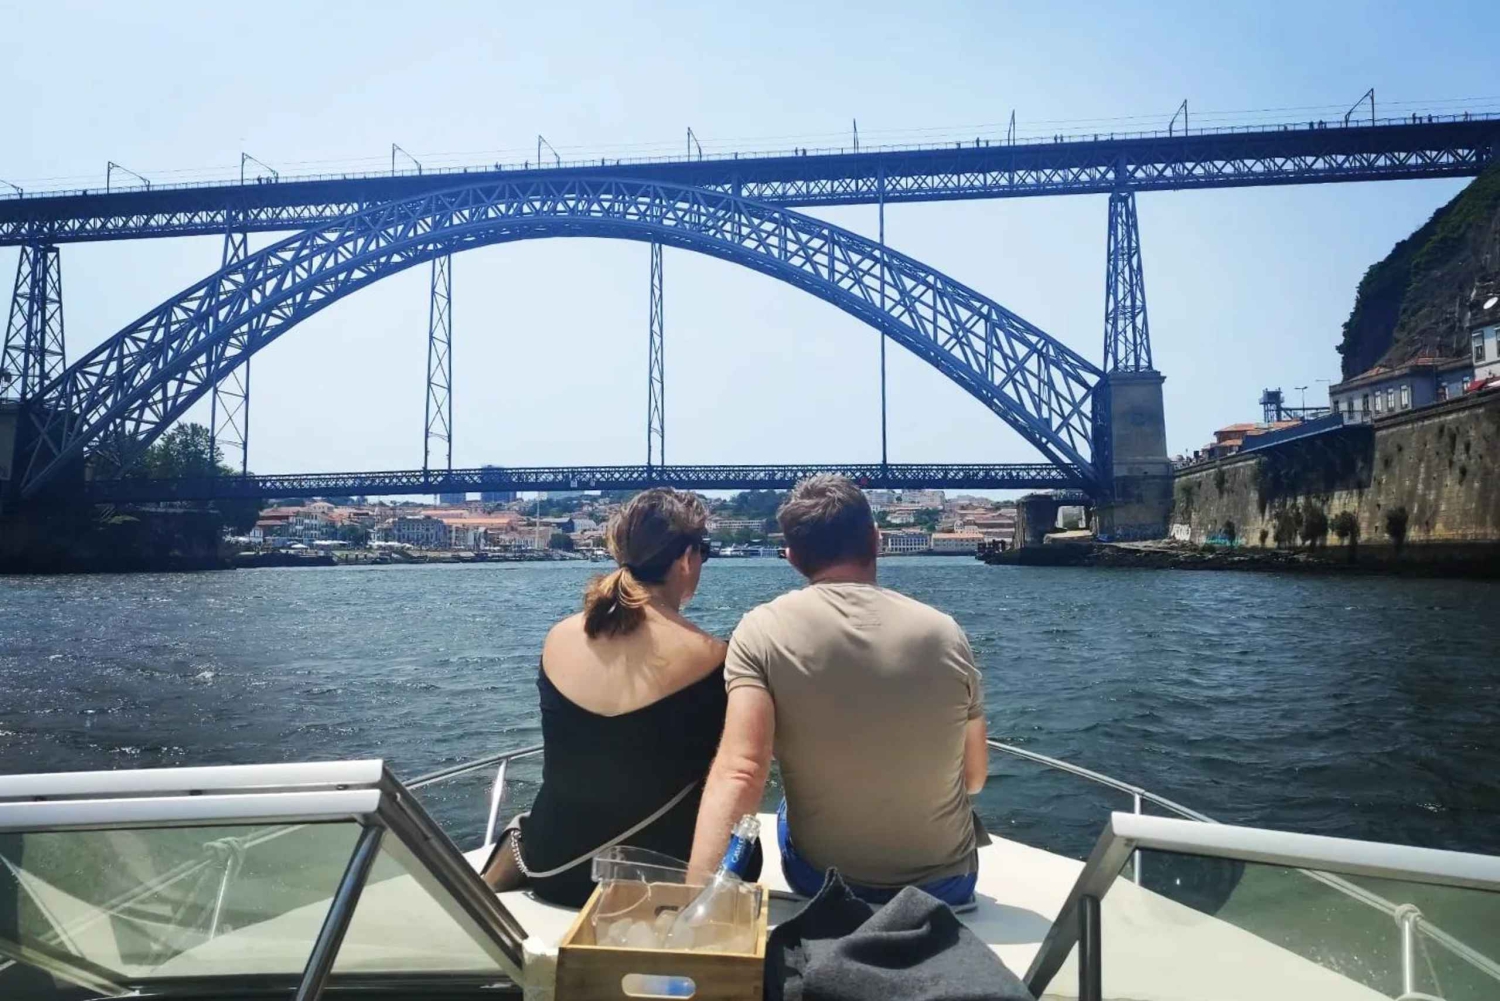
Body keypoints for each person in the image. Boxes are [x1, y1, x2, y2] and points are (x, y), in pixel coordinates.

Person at [687, 475, 988, 906]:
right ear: (877, 539)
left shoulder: (761, 630)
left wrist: (697, 905)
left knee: (790, 807)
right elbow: (974, 779)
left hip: (825, 884)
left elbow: (742, 771)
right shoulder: (945, 631)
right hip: (947, 884)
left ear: (791, 557)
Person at [481, 488, 741, 906]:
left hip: (552, 871)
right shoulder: (715, 656)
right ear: (686, 558)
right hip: (659, 878)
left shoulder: (557, 638)